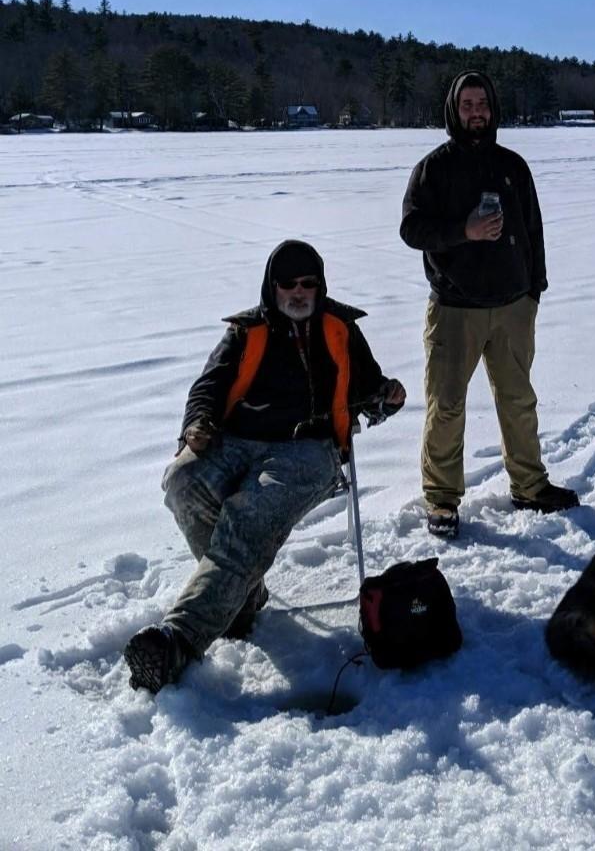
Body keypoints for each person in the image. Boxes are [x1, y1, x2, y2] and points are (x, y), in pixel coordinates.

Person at [123, 239, 405, 693]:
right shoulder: (245, 331)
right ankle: (242, 596)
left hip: (309, 449)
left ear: (320, 286)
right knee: (182, 481)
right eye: (287, 283)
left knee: (251, 510)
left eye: (307, 283)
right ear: (271, 287)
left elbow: (368, 388)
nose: (298, 292)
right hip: (238, 440)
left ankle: (180, 640)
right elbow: (208, 387)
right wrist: (196, 424)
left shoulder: (340, 328)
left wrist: (387, 395)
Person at [400, 69, 577, 538]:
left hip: (514, 306)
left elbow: (534, 231)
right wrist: (464, 231)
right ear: (454, 110)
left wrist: (533, 289)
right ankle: (440, 500)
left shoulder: (513, 165)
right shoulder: (434, 168)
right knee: (447, 407)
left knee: (519, 401)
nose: (475, 112)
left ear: (492, 109)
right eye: (467, 105)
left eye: (482, 104)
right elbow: (411, 229)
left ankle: (529, 485)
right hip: (455, 310)